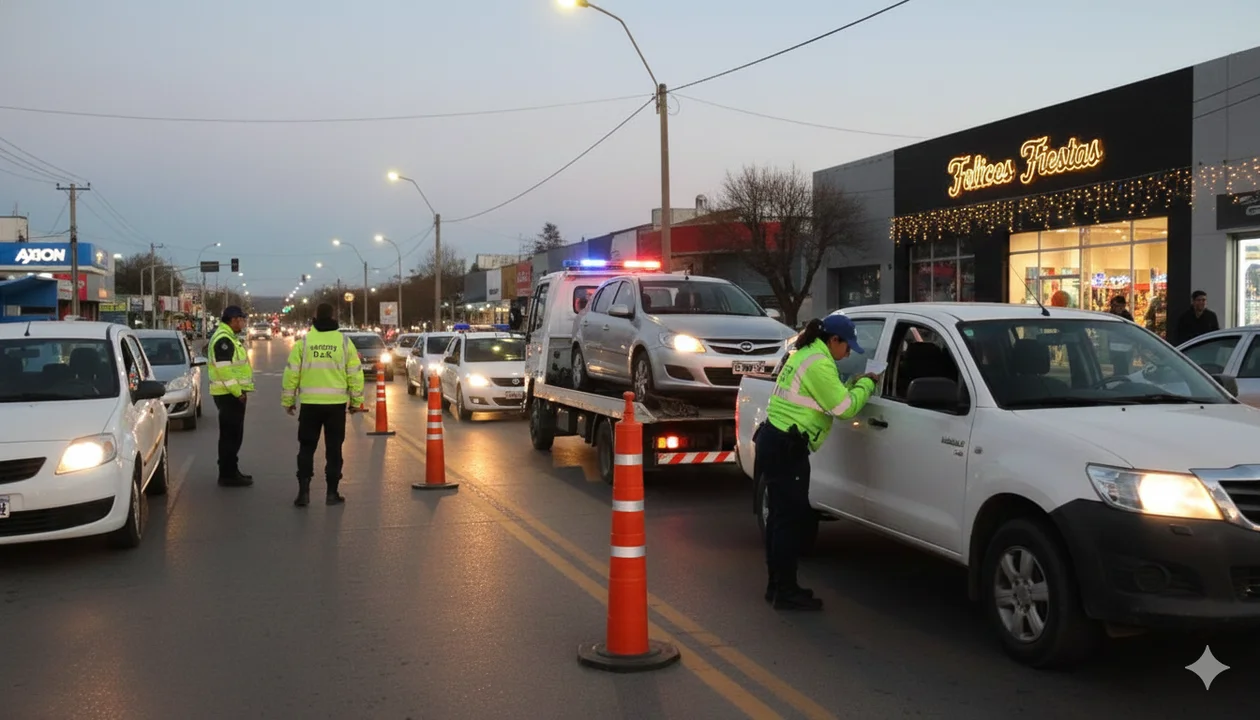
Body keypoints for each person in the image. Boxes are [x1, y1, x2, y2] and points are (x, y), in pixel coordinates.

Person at [757, 314, 878, 611]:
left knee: (778, 519)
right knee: (789, 522)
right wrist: (867, 386)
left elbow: (823, 394)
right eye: (847, 346)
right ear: (833, 340)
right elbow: (844, 408)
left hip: (773, 440)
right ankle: (786, 591)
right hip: (788, 448)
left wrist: (850, 383)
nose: (848, 352)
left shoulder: (806, 355)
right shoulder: (820, 363)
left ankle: (776, 585)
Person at [281, 302, 366, 507]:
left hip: (310, 405)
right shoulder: (344, 342)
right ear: (334, 316)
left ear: (315, 318)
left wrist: (289, 401)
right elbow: (355, 374)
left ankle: (303, 493)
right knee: (334, 449)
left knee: (307, 448)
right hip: (335, 406)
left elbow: (292, 373)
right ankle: (332, 494)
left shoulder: (305, 342)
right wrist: (356, 401)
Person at [208, 306, 254, 487]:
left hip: (231, 394)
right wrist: (237, 393)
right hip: (228, 395)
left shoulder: (229, 337)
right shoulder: (224, 339)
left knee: (234, 435)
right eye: (242, 319)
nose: (243, 323)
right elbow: (224, 369)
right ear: (233, 319)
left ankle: (232, 470)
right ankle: (227, 474)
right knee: (230, 436)